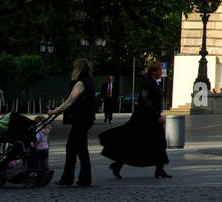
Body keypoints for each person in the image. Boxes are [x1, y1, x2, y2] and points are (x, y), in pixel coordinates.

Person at [100, 60, 171, 179]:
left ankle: (159, 169)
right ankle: (119, 164)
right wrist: (157, 116)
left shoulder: (152, 81)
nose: (161, 72)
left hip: (148, 117)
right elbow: (148, 101)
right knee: (139, 143)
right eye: (159, 70)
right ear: (153, 71)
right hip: (146, 118)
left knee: (151, 143)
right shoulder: (148, 82)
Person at [49, 58, 96, 188]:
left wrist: (56, 111)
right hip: (86, 118)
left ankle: (80, 179)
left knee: (77, 149)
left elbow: (70, 100)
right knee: (75, 148)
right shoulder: (89, 81)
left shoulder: (81, 83)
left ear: (78, 69)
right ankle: (73, 178)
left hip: (80, 119)